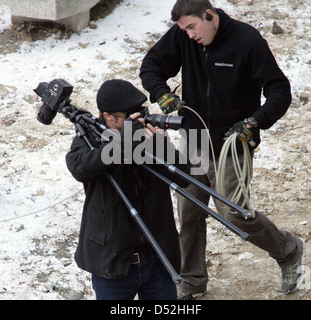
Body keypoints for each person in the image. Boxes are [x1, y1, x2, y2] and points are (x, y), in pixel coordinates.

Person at [140, 0, 306, 299]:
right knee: (189, 210)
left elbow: (279, 90)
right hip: (193, 139)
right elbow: (151, 66)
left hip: (233, 143)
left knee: (232, 213)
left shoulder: (248, 41)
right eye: (184, 30)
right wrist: (161, 93)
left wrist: (255, 122)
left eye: (192, 27)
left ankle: (288, 249)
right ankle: (191, 280)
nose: (190, 35)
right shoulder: (183, 36)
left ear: (209, 15)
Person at [65, 79, 189, 300]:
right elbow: (78, 166)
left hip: (157, 258)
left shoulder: (149, 136)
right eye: (128, 116)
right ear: (108, 116)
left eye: (140, 112)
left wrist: (162, 145)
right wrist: (121, 145)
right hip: (113, 264)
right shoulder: (91, 138)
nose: (137, 119)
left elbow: (183, 177)